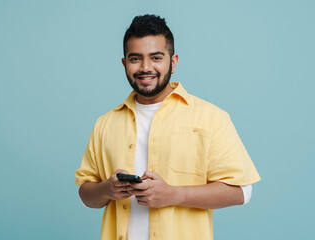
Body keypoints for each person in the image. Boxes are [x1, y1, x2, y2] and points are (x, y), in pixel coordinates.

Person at [74, 14, 260, 240]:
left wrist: (175, 195)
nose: (145, 67)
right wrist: (107, 189)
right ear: (124, 63)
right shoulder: (105, 123)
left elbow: (242, 192)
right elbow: (86, 193)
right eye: (135, 59)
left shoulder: (211, 118)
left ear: (173, 61)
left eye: (156, 57)